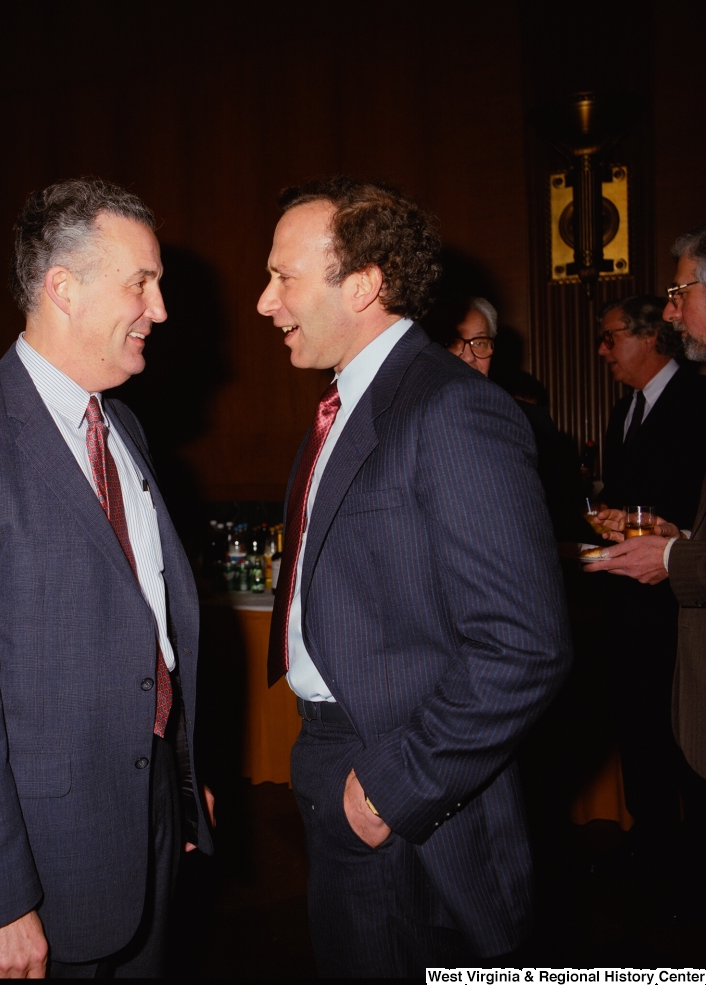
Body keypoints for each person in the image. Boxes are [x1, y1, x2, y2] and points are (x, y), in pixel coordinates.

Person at [0, 178, 213, 978]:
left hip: (152, 818)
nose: (161, 309)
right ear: (63, 289)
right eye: (142, 282)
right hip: (42, 861)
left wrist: (180, 780)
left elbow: (145, 624)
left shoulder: (122, 424)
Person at [256, 176, 571, 977]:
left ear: (363, 284)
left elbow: (524, 646)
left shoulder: (451, 410)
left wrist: (392, 787)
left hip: (407, 790)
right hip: (337, 756)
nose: (266, 302)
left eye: (283, 277)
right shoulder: (345, 408)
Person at [584, 292, 706, 851]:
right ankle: (654, 855)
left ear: (651, 337)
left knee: (686, 742)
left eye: (612, 336)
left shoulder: (699, 396)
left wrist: (667, 533)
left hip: (684, 611)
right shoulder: (622, 410)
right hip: (629, 612)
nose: (603, 349)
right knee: (638, 734)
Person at [447, 296, 587, 541]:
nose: (468, 356)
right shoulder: (409, 421)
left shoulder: (532, 421)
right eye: (454, 342)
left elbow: (559, 513)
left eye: (480, 342)